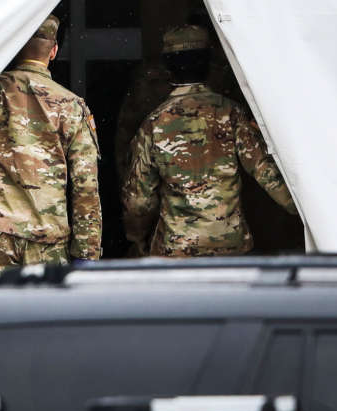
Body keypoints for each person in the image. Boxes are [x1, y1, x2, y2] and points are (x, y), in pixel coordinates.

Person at [0, 14, 102, 279]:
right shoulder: (72, 106)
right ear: (53, 52)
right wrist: (87, 253)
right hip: (48, 237)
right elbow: (86, 185)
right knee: (41, 319)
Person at [121, 25, 297, 256]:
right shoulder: (231, 113)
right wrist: (310, 212)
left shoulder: (154, 123)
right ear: (208, 63)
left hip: (175, 251)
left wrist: (137, 236)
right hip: (230, 248)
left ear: (168, 66)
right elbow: (267, 173)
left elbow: (138, 201)